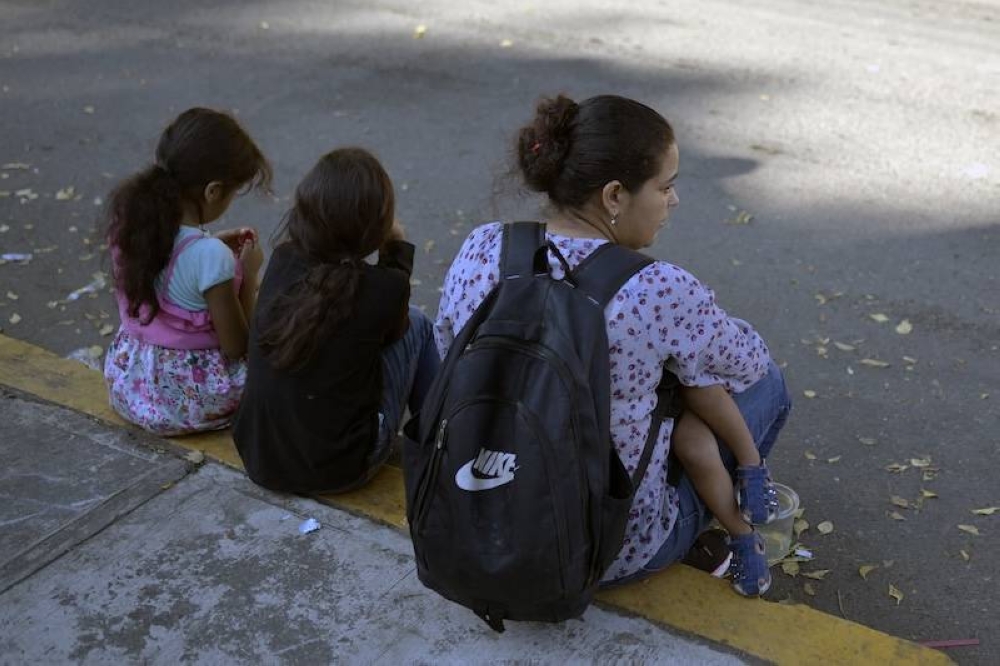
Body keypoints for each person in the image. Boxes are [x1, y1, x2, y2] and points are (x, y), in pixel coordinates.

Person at [435, 94, 791, 596]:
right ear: (614, 196)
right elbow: (749, 363)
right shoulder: (659, 288)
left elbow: (443, 351)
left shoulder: (481, 246)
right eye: (665, 187)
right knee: (768, 384)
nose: (674, 200)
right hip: (608, 551)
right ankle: (703, 533)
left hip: (479, 515)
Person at [233, 148, 440, 494]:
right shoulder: (383, 289)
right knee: (418, 325)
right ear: (376, 227)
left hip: (260, 457)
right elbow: (396, 332)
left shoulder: (283, 259)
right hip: (340, 469)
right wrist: (395, 248)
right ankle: (438, 438)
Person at [103, 107, 272, 436]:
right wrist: (248, 275)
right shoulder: (210, 256)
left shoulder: (132, 223)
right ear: (212, 191)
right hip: (189, 403)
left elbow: (175, 265)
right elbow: (237, 346)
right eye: (234, 192)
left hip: (129, 382)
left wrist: (209, 250)